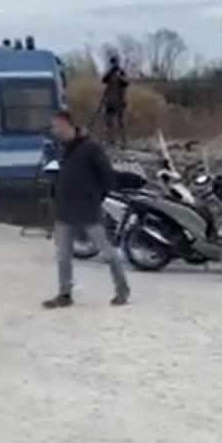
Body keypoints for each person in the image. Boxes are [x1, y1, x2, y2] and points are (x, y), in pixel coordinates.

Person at [42, 110, 130, 308]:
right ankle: (64, 294)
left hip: (87, 209)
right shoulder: (63, 149)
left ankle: (122, 290)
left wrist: (95, 197)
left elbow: (108, 177)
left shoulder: (91, 148)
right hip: (65, 210)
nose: (54, 130)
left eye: (56, 125)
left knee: (107, 251)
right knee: (63, 256)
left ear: (68, 124)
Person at [100, 55, 129, 146]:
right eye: (112, 63)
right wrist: (110, 72)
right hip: (110, 101)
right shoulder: (110, 73)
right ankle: (110, 140)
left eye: (115, 63)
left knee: (121, 122)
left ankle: (123, 140)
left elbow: (126, 83)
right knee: (109, 122)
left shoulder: (121, 72)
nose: (114, 65)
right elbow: (103, 80)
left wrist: (119, 75)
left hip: (119, 101)